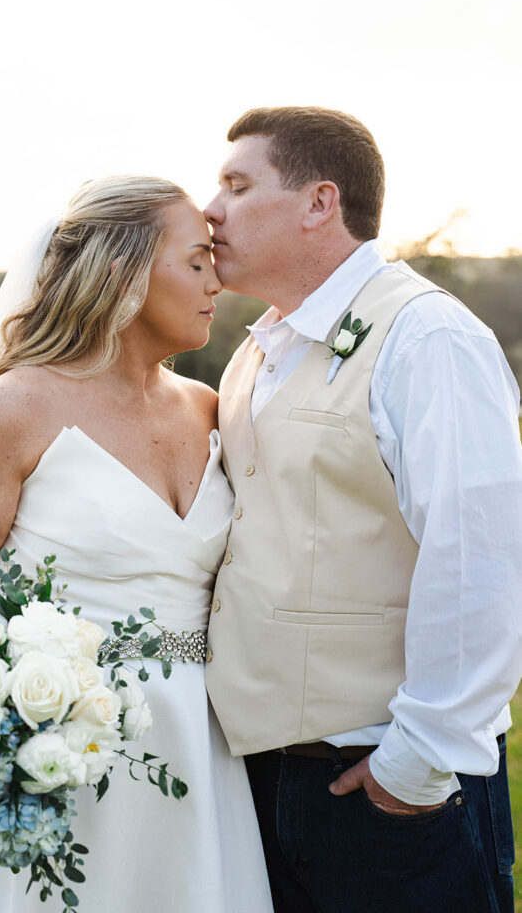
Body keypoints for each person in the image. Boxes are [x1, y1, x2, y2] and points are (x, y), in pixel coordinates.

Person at [0, 175, 274, 913]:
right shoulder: (15, 408)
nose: (216, 283)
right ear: (121, 271)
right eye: (195, 261)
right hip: (43, 746)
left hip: (196, 746)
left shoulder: (212, 410)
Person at [203, 107, 522, 913]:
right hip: (263, 776)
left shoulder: (427, 338)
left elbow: (480, 556)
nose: (211, 209)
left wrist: (416, 763)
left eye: (238, 185)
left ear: (319, 202)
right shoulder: (257, 351)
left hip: (385, 788)